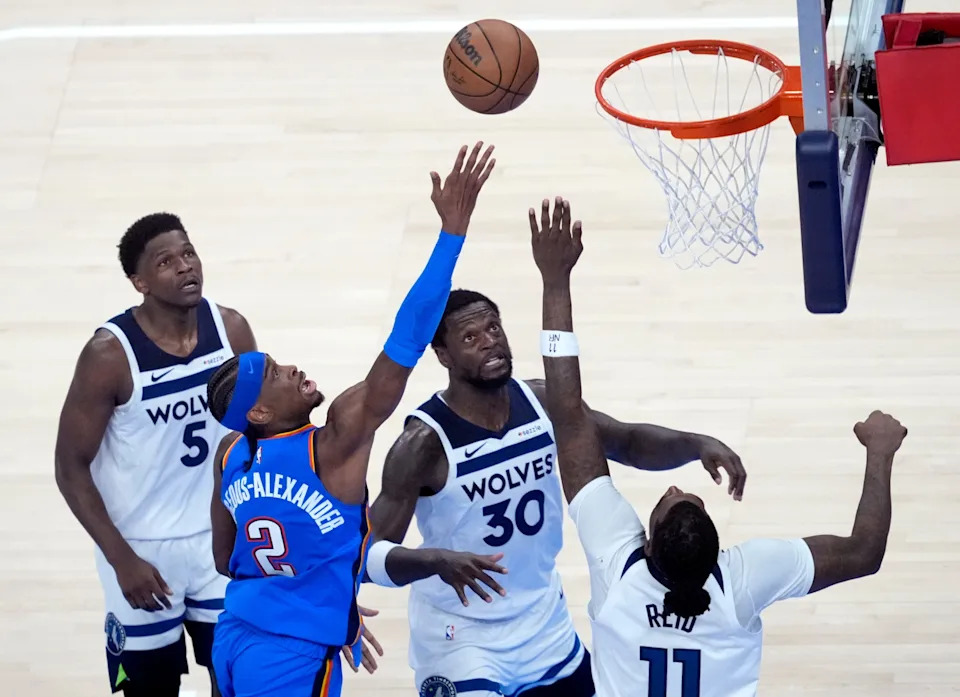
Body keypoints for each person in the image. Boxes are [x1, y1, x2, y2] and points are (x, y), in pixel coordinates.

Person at [529, 196, 908, 697]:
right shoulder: (739, 582)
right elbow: (863, 552)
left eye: (668, 497)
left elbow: (569, 417)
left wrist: (555, 282)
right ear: (720, 557)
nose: (672, 487)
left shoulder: (619, 569)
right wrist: (880, 454)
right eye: (686, 497)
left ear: (647, 544)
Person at [365, 238, 747, 696]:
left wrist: (695, 444)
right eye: (470, 338)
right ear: (443, 356)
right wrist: (434, 560)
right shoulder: (424, 443)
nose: (490, 342)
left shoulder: (540, 402)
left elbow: (624, 440)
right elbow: (365, 554)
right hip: (459, 638)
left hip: (544, 628)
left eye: (494, 328)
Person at [206, 142, 500, 697]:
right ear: (260, 411)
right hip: (293, 657)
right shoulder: (335, 441)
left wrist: (323, 597)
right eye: (275, 374)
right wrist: (451, 235)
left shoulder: (231, 454)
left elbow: (227, 559)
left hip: (234, 639)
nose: (292, 368)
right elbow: (407, 340)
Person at [54, 212, 258, 697]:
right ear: (139, 282)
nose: (186, 267)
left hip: (218, 539)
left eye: (189, 253)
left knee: (237, 681)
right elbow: (70, 467)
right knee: (150, 689)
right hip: (141, 547)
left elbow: (259, 429)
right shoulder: (109, 355)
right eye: (166, 262)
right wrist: (121, 558)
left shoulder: (231, 330)